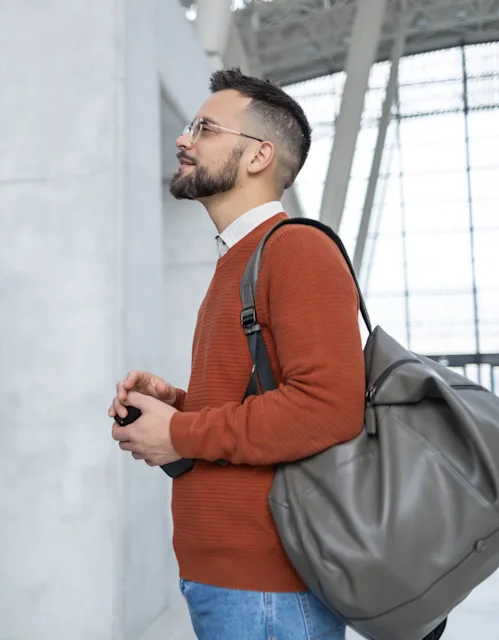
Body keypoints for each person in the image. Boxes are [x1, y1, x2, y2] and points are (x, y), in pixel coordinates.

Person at [108, 68, 366, 640]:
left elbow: (328, 408)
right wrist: (176, 404)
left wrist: (180, 433)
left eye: (204, 128)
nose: (183, 139)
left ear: (258, 157)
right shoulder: (237, 260)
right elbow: (260, 400)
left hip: (269, 590)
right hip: (232, 582)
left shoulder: (295, 250)